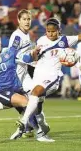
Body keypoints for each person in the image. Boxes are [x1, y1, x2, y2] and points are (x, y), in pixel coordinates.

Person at [16, 18, 81, 136]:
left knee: (35, 93)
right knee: (37, 104)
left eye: (53, 31)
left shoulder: (65, 40)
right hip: (38, 75)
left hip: (52, 76)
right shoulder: (41, 40)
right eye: (48, 31)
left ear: (59, 30)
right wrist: (34, 53)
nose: (50, 33)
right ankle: (43, 126)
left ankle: (24, 121)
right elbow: (36, 57)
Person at [8, 9, 50, 138]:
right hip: (14, 76)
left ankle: (30, 126)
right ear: (19, 20)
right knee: (25, 103)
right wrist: (27, 59)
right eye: (24, 19)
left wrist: (33, 61)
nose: (27, 21)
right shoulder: (17, 36)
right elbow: (11, 55)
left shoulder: (27, 35)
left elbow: (25, 55)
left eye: (28, 19)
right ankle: (35, 128)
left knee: (36, 96)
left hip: (24, 74)